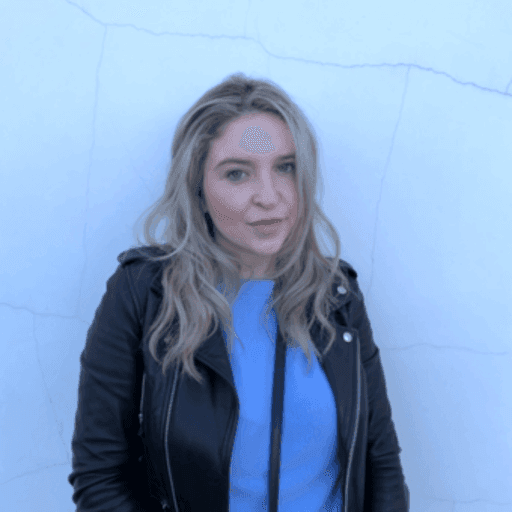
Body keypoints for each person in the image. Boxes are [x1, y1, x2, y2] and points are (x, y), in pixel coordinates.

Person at [68, 73, 410, 511]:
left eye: (285, 167)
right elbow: (100, 475)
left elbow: (381, 462)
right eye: (237, 173)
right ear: (197, 188)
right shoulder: (144, 294)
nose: (269, 197)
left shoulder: (335, 295)